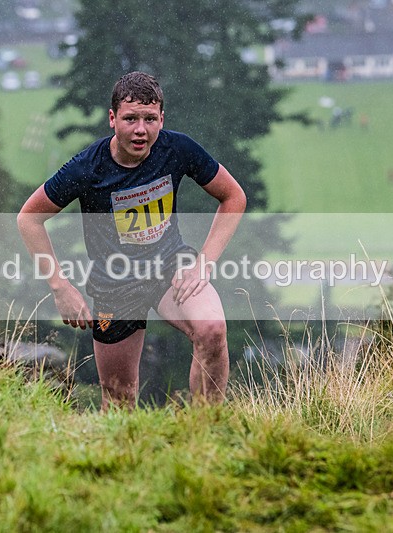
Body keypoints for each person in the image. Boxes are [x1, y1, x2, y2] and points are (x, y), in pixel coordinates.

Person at [17, 71, 246, 410]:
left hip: (171, 267)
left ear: (161, 119)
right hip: (115, 282)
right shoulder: (86, 168)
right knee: (120, 402)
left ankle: (206, 430)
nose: (141, 129)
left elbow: (233, 197)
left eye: (150, 119)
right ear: (112, 119)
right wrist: (60, 286)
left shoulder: (177, 149)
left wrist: (204, 263)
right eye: (130, 119)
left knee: (212, 330)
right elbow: (29, 218)